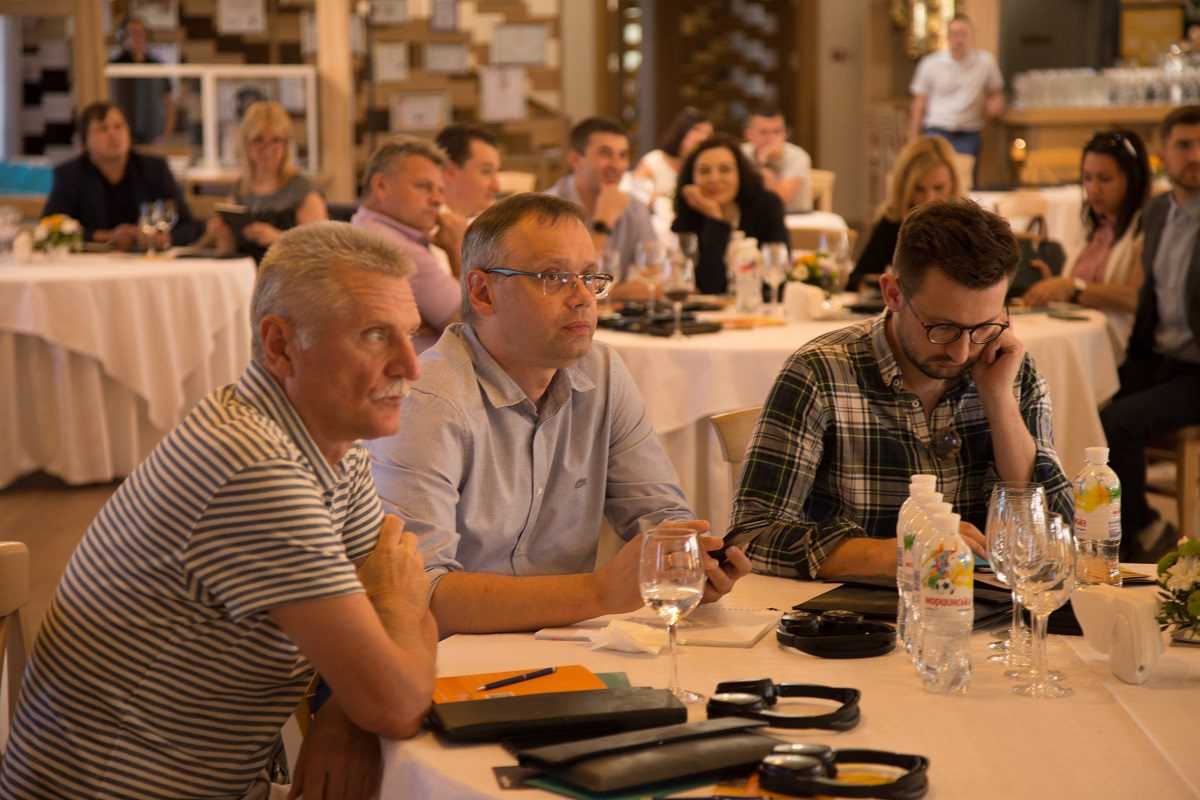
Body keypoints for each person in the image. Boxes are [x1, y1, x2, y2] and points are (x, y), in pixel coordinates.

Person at [0, 223, 437, 799]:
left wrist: (344, 713)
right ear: (280, 346)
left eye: (410, 334)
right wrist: (397, 613)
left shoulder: (333, 446)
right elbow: (398, 695)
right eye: (376, 336)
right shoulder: (252, 467)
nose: (411, 366)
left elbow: (394, 645)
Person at [370, 192, 752, 635]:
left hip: (569, 647)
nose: (583, 297)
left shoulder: (602, 373)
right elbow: (417, 595)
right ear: (483, 292)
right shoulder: (427, 401)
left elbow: (658, 517)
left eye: (590, 277)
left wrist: (689, 562)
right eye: (553, 277)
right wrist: (598, 592)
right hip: (450, 657)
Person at [727, 199, 1073, 580]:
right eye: (942, 328)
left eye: (983, 327)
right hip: (852, 612)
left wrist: (999, 401)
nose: (961, 353)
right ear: (892, 294)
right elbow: (751, 537)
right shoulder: (820, 372)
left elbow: (1060, 533)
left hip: (989, 608)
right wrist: (901, 552)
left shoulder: (1008, 370)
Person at [1100, 106, 1200, 560]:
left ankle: (1137, 537)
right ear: (1163, 152)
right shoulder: (1158, 212)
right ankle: (1105, 527)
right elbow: (1149, 300)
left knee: (1118, 422)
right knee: (1086, 400)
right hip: (1159, 358)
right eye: (1183, 145)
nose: (1194, 155)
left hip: (1197, 370)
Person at [1022, 130, 1151, 361]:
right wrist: (1053, 285)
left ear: (1132, 180)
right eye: (1087, 178)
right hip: (1080, 336)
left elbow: (1136, 297)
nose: (1093, 189)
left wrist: (1073, 288)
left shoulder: (1146, 228)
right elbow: (1074, 286)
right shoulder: (1093, 227)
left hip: (1118, 349)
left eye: (1105, 179)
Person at [352, 137, 463, 353]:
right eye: (424, 187)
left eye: (440, 190)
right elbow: (474, 332)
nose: (438, 200)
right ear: (381, 186)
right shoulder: (397, 248)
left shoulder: (362, 226)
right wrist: (458, 249)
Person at [42, 102, 202, 250]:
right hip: (93, 261)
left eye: (119, 126)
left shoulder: (154, 169)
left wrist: (165, 238)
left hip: (147, 258)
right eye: (103, 129)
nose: (113, 134)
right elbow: (50, 228)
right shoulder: (70, 174)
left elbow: (188, 226)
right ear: (85, 140)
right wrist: (107, 237)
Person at [545, 116, 657, 299]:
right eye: (605, 154)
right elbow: (568, 288)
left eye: (622, 155)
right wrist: (603, 223)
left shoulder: (635, 208)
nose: (616, 165)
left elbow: (655, 282)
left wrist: (608, 294)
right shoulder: (546, 211)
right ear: (575, 159)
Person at [205, 100, 328, 262]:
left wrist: (278, 239)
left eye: (276, 140)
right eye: (258, 140)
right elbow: (228, 253)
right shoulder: (240, 188)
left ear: (286, 145)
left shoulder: (302, 190)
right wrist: (222, 236)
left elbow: (322, 252)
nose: (267, 148)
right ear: (246, 145)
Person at [672, 134, 789, 295]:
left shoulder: (766, 206)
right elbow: (707, 286)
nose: (714, 179)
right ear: (692, 178)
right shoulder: (688, 215)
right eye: (704, 171)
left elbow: (778, 277)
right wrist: (715, 219)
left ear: (740, 173)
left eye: (725, 169)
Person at [847, 135, 961, 291]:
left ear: (953, 185)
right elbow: (856, 280)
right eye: (919, 189)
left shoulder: (964, 227)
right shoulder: (892, 221)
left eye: (938, 188)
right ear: (905, 188)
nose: (929, 199)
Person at [908, 14, 1004, 161]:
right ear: (947, 37)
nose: (959, 40)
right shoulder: (930, 63)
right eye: (954, 34)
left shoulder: (986, 62)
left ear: (972, 35)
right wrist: (913, 137)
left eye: (963, 34)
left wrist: (994, 105)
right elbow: (919, 102)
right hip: (937, 129)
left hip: (968, 132)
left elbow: (995, 92)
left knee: (963, 172)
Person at [109, 16, 176, 145]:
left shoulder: (156, 66)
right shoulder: (114, 66)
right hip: (122, 135)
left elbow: (169, 103)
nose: (137, 37)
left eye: (141, 32)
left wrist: (166, 134)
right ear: (123, 37)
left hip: (152, 135)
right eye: (132, 33)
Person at [633, 107, 713, 205]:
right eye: (697, 130)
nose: (703, 137)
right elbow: (638, 200)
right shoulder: (654, 161)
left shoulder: (704, 169)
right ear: (682, 130)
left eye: (708, 134)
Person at [741, 106, 813, 214]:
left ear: (785, 134)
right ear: (749, 135)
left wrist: (762, 163)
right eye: (763, 132)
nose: (771, 138)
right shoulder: (741, 153)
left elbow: (779, 199)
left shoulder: (798, 157)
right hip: (753, 216)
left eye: (777, 132)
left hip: (795, 217)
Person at [436, 123, 502, 219]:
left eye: (496, 172)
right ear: (449, 172)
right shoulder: (423, 225)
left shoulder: (490, 223)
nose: (497, 187)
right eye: (486, 171)